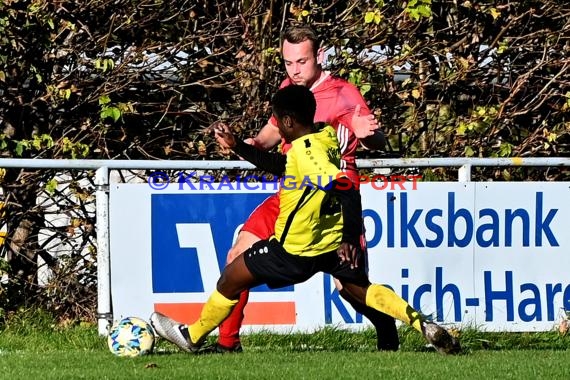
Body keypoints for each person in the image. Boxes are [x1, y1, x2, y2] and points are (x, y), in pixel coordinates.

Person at [150, 85, 460, 356]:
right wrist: (239, 147)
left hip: (294, 251)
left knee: (230, 277)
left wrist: (352, 235)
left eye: (277, 122)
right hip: (329, 245)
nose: (276, 130)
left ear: (287, 121)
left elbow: (345, 186)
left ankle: (192, 337)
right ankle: (423, 324)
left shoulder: (306, 152)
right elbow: (284, 165)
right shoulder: (325, 134)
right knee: (360, 287)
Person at [212, 24, 397, 353]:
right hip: (291, 194)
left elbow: (374, 138)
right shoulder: (289, 88)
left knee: (349, 285)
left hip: (332, 202)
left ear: (320, 56)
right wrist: (246, 144)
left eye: (302, 62)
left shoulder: (344, 93)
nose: (294, 70)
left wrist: (371, 136)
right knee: (236, 254)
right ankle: (227, 344)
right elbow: (269, 137)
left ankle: (386, 327)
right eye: (288, 62)